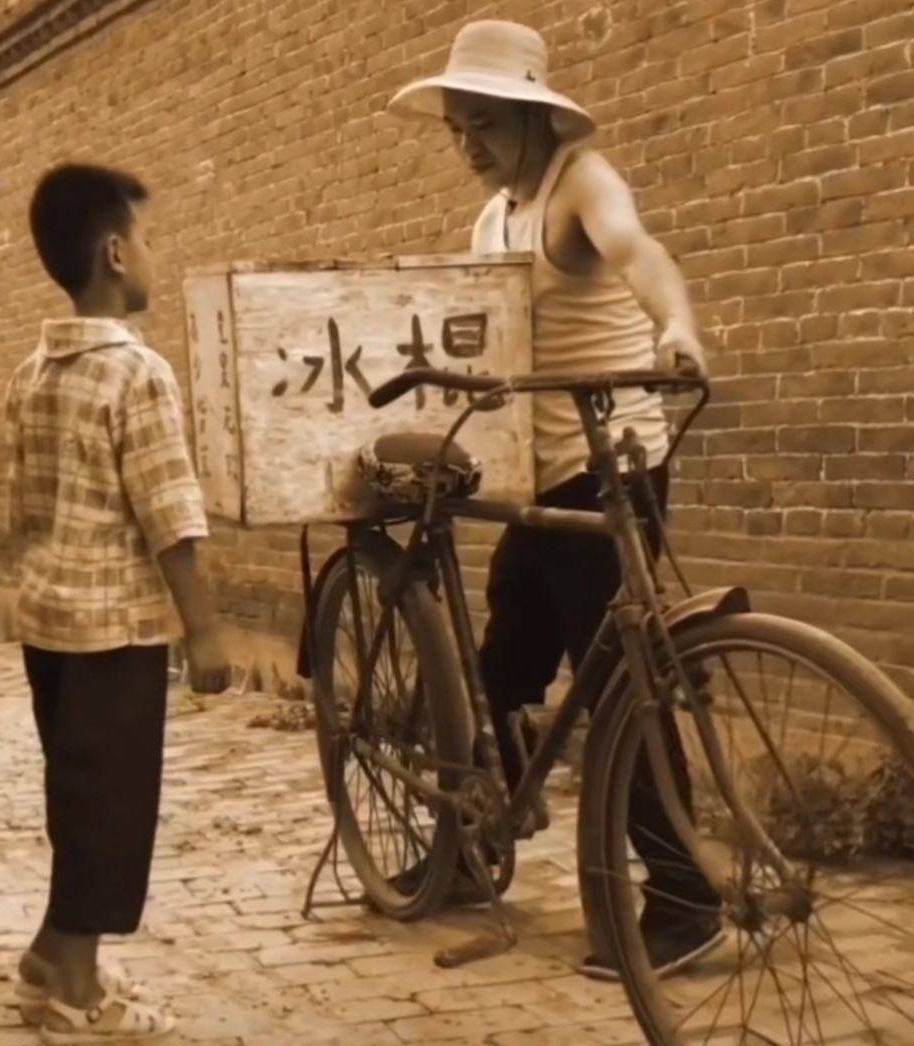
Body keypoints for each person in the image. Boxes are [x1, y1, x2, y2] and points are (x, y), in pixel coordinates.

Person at [388, 20, 723, 979]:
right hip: (539, 477)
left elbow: (640, 252)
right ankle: (470, 846)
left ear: (535, 116)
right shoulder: (491, 221)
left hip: (611, 467)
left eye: (485, 123)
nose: (467, 144)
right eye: (456, 128)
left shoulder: (583, 182)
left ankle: (685, 901)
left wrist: (678, 329)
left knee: (618, 684)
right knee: (500, 667)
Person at [4, 163, 230, 1040]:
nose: (152, 252)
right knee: (112, 812)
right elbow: (168, 512)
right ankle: (77, 994)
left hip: (48, 628)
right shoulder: (138, 373)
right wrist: (203, 630)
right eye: (148, 237)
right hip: (116, 632)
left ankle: (49, 955)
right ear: (114, 253)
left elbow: (24, 508)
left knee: (76, 800)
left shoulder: (31, 372)